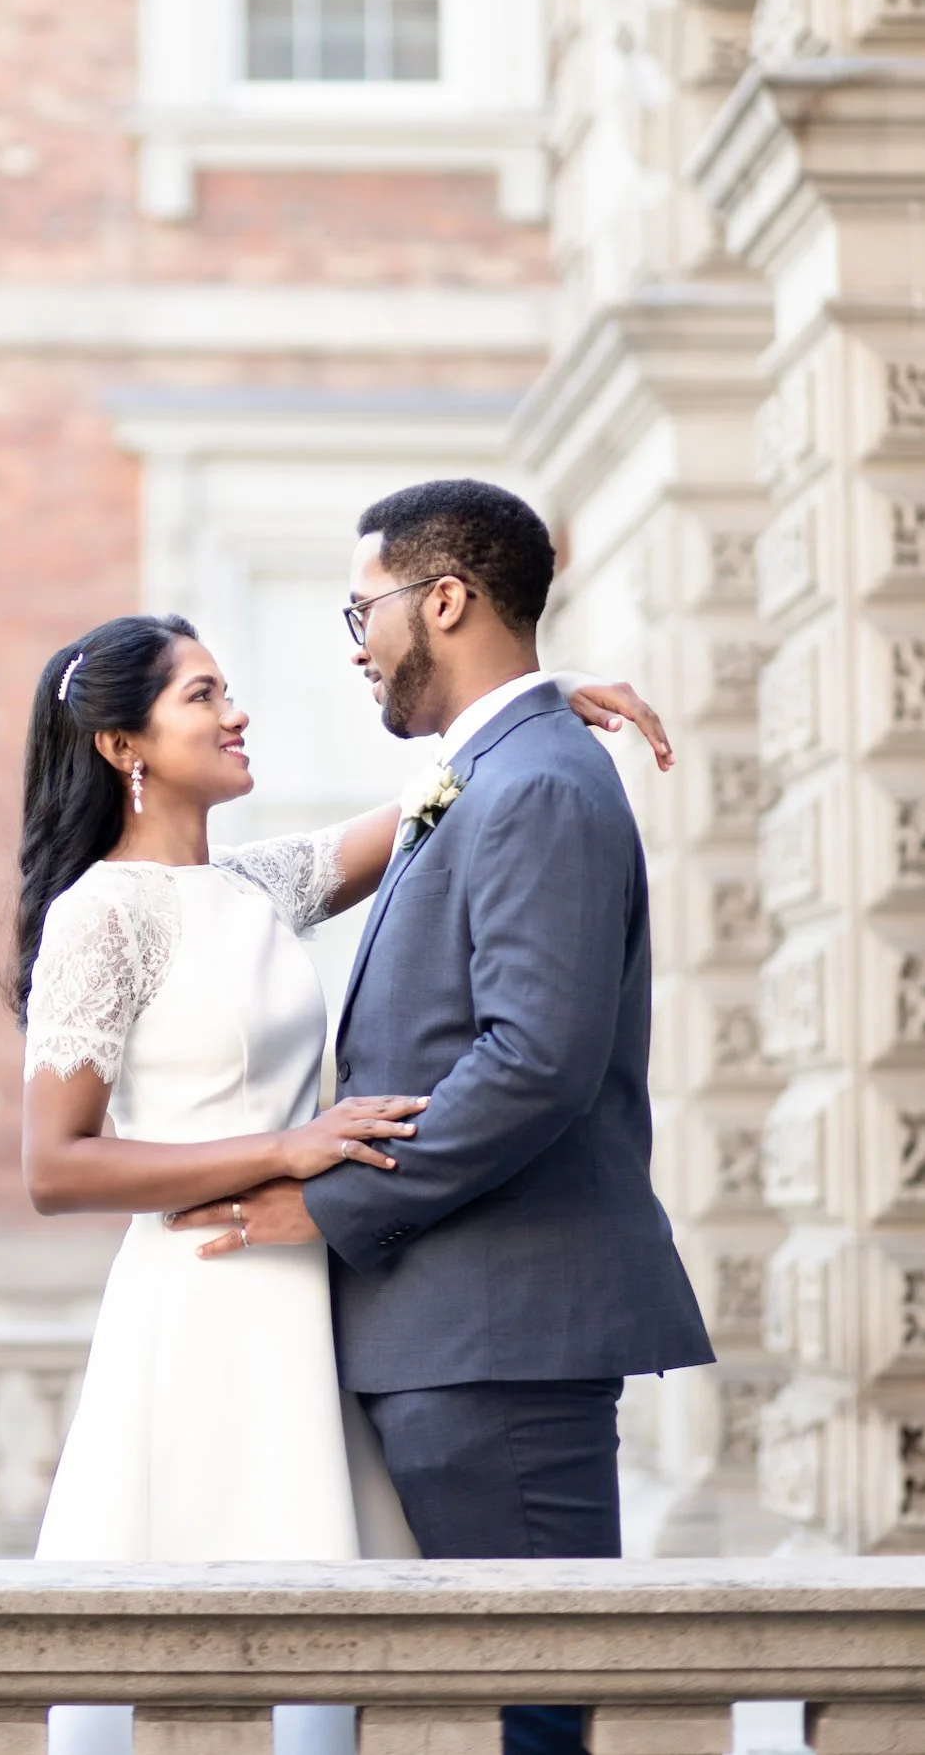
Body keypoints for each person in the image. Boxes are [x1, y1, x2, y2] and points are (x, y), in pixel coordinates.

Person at [14, 603, 675, 1755]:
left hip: (308, 1288)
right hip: (203, 1287)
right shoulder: (99, 916)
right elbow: (54, 1166)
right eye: (202, 696)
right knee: (161, 1636)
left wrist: (541, 698)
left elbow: (438, 797)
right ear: (123, 747)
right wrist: (285, 1149)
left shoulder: (252, 886)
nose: (237, 711)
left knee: (328, 1637)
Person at [171, 480, 714, 1755]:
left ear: (446, 599)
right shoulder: (495, 771)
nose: (354, 640)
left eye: (362, 608)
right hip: (447, 1337)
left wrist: (327, 1197)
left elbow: (532, 1061)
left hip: (499, 1341)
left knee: (528, 1715)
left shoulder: (532, 785)